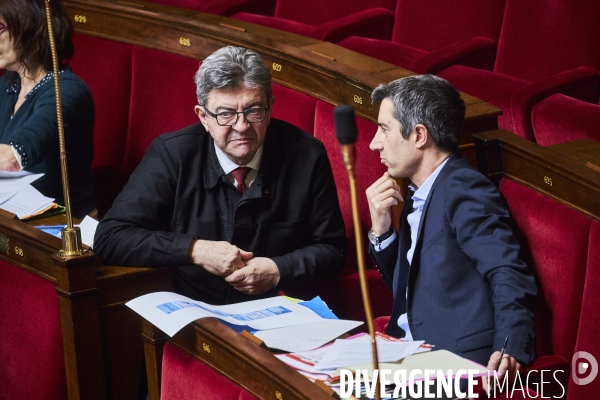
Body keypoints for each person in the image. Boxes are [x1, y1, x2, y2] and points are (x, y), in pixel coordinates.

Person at [94, 46, 347, 305]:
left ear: (270, 108)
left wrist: (277, 269)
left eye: (253, 110)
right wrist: (196, 250)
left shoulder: (307, 154)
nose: (241, 126)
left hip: (277, 308)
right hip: (194, 309)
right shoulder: (172, 154)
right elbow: (110, 237)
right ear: (203, 117)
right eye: (226, 114)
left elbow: (333, 249)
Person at [366, 75, 537, 383]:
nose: (374, 142)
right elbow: (411, 289)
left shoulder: (463, 188)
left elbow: (505, 269)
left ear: (419, 135)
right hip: (406, 354)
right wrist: (382, 234)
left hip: (449, 363)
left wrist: (509, 346)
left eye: (383, 129)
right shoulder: (418, 194)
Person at [0, 0, 95, 218]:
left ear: (31, 31)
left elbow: (13, 157)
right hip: (13, 217)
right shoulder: (7, 86)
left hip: (61, 227)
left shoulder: (68, 90)